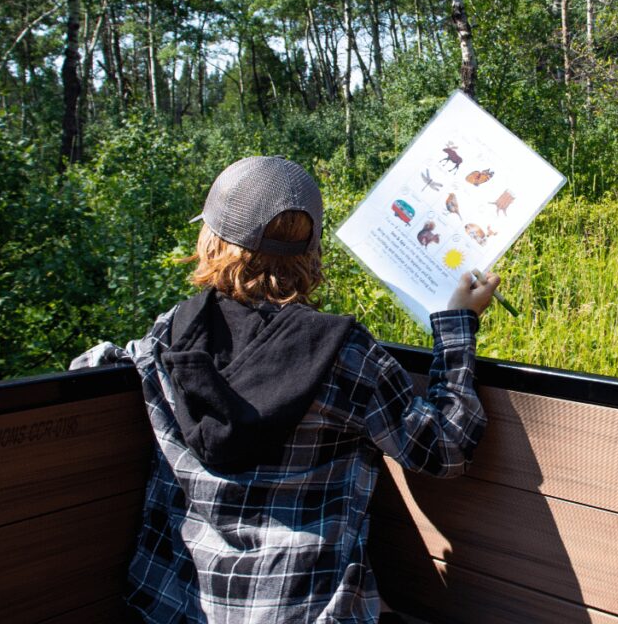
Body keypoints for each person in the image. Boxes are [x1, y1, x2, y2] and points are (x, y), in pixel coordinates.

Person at [70, 155, 501, 623]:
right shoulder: (344, 355)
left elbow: (92, 365)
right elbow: (445, 448)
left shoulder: (169, 334)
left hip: (169, 606)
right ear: (311, 254)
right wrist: (458, 323)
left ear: (211, 241)